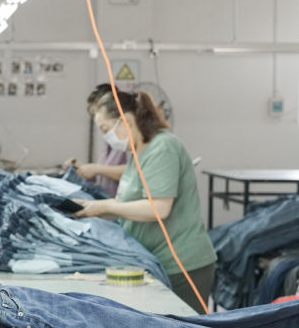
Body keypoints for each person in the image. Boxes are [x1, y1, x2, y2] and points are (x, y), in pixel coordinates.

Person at [71, 88, 216, 313]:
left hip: (182, 265)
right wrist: (93, 207)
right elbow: (128, 203)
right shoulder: (138, 153)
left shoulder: (163, 147)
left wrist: (106, 206)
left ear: (125, 121)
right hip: (155, 262)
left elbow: (159, 208)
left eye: (106, 130)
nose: (106, 137)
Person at [64, 83, 126, 196]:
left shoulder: (129, 139)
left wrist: (97, 169)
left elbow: (134, 172)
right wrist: (83, 169)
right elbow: (106, 175)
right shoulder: (110, 140)